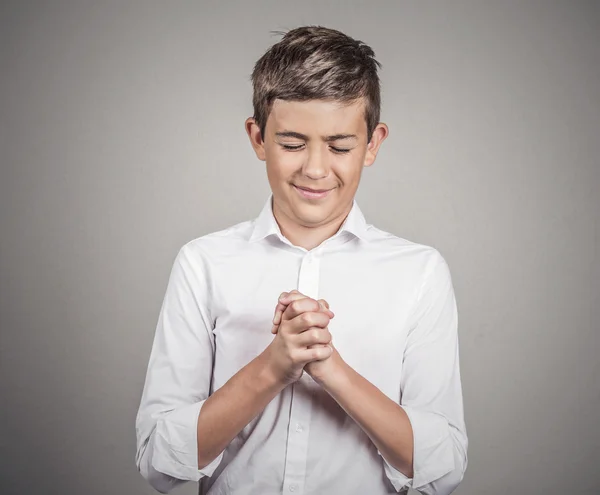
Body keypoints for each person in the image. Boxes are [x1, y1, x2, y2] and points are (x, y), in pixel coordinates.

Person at [135, 25, 468, 495]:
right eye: (292, 144)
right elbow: (159, 465)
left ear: (372, 144)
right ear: (257, 138)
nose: (314, 168)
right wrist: (272, 368)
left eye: (340, 146)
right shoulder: (202, 264)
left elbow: (443, 468)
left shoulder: (420, 273)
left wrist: (328, 367)